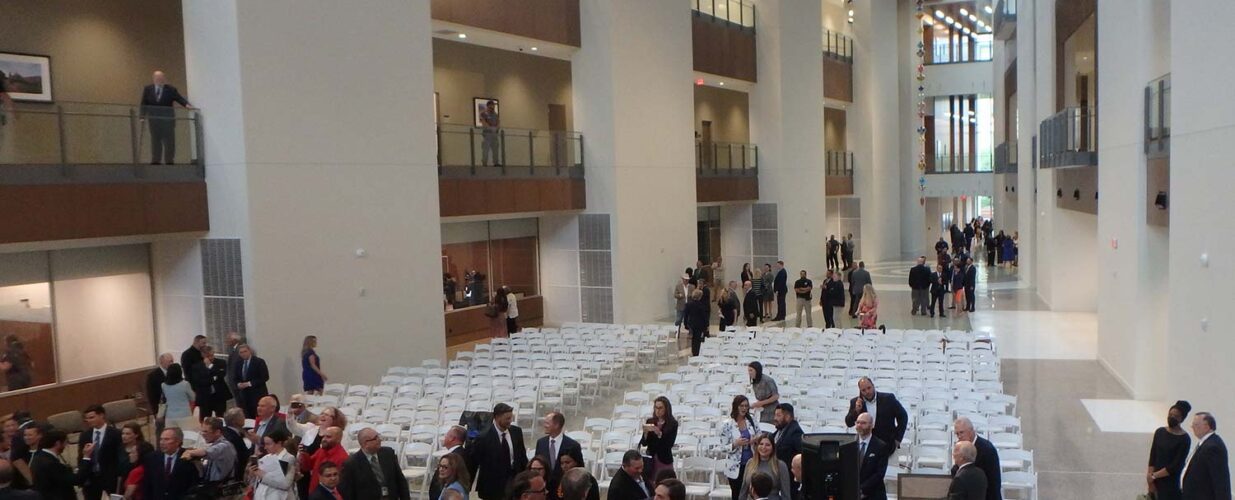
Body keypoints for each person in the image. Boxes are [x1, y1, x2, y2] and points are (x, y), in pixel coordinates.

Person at [471, 403, 527, 500]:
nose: (510, 421)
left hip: (514, 482)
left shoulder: (516, 432)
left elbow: (522, 457)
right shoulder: (483, 437)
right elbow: (475, 462)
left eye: (511, 418)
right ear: (497, 417)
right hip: (492, 488)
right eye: (507, 419)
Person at [340, 427, 410, 500]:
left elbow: (400, 480)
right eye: (375, 438)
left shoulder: (388, 453)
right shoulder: (351, 464)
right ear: (366, 443)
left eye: (378, 436)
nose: (380, 440)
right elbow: (347, 493)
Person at [139, 70, 192, 165]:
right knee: (155, 140)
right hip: (154, 121)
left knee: (169, 141)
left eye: (161, 78)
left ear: (164, 79)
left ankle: (169, 160)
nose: (159, 80)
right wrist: (142, 116)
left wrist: (186, 105)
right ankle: (156, 160)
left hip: (168, 121)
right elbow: (144, 103)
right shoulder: (148, 89)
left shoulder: (170, 89)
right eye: (157, 78)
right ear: (154, 79)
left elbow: (179, 98)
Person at [844, 377, 908, 449]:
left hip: (887, 443)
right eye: (863, 390)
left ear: (873, 386)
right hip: (865, 445)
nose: (867, 391)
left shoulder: (888, 398)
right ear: (860, 391)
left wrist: (898, 438)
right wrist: (856, 411)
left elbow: (903, 416)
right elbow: (848, 423)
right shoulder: (856, 402)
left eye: (869, 388)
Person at [1147, 401, 1192, 500]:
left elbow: (1175, 465)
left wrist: (1154, 476)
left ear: (1181, 419)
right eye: (1170, 414)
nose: (1171, 417)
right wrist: (1150, 479)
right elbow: (1153, 456)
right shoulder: (1160, 432)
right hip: (1154, 481)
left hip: (1170, 484)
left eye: (1175, 416)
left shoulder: (1184, 439)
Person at [1181, 412, 1230, 500]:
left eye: (1195, 424)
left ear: (1207, 426)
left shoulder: (1213, 447)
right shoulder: (1205, 443)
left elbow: (1220, 480)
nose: (1192, 427)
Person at [142, 428, 200, 500]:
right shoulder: (151, 458)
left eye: (166, 439)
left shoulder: (189, 458)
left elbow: (193, 484)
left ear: (178, 442)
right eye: (161, 439)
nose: (162, 442)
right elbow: (147, 485)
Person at [78, 404, 122, 499]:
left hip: (110, 478)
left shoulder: (115, 434)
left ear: (101, 415)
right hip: (91, 479)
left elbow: (119, 456)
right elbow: (80, 458)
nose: (89, 421)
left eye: (92, 417)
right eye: (87, 419)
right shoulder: (85, 436)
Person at [952, 417, 1000, 500]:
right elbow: (956, 471)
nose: (959, 436)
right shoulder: (961, 448)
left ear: (971, 431)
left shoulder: (987, 449)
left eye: (962, 432)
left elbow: (994, 483)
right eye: (957, 434)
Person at [29, 429, 86, 499]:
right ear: (58, 443)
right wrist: (86, 458)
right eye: (65, 443)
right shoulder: (51, 463)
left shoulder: (37, 458)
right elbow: (76, 480)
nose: (65, 446)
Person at [181, 417, 238, 486]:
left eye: (206, 431)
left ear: (217, 432)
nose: (202, 434)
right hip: (210, 485)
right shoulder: (215, 445)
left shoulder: (225, 446)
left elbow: (206, 452)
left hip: (221, 488)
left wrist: (189, 452)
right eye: (202, 431)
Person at [721, 396, 757, 500]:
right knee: (737, 495)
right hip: (735, 466)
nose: (744, 408)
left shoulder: (752, 420)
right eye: (741, 406)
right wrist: (735, 444)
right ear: (736, 407)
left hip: (751, 463)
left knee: (754, 493)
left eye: (746, 406)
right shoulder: (727, 425)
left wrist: (754, 440)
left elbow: (759, 435)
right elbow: (723, 447)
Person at [737, 435, 791, 500]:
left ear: (773, 448)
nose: (763, 447)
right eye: (761, 444)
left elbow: (786, 494)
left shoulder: (781, 465)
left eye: (767, 445)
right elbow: (744, 490)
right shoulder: (750, 463)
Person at [250, 429, 297, 500]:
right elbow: (257, 482)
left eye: (268, 444)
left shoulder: (288, 458)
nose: (265, 447)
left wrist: (263, 475)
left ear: (279, 443)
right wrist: (252, 474)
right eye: (264, 444)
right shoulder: (265, 458)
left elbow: (285, 485)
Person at [640, 396, 679, 480]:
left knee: (665, 483)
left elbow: (669, 444)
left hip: (664, 458)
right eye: (656, 408)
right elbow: (644, 443)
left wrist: (659, 433)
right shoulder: (650, 421)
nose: (658, 410)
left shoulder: (672, 424)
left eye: (660, 408)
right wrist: (646, 433)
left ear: (666, 409)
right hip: (651, 459)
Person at [299, 426, 348, 494]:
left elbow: (338, 485)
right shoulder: (321, 451)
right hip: (314, 493)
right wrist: (304, 453)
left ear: (338, 439)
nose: (324, 439)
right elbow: (307, 467)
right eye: (324, 436)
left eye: (328, 437)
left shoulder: (342, 458)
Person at [853, 413, 890, 500]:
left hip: (874, 494)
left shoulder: (881, 446)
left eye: (863, 423)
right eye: (857, 422)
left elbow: (879, 474)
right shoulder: (849, 444)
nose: (859, 425)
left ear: (872, 425)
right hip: (852, 493)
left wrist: (861, 489)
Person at [191, 345, 230, 420]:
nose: (211, 358)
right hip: (205, 396)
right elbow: (198, 381)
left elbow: (221, 375)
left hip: (219, 395)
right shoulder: (196, 367)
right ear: (203, 355)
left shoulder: (221, 362)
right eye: (208, 356)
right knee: (205, 418)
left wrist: (210, 366)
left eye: (212, 355)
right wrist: (213, 378)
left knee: (221, 417)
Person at [430, 425, 469, 500]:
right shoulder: (460, 454)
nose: (441, 469)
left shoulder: (458, 456)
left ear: (452, 438)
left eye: (445, 467)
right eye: (440, 466)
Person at [117, 422, 154, 499]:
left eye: (128, 434)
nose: (124, 436)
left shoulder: (145, 447)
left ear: (136, 435)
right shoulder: (120, 448)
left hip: (141, 485)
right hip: (125, 483)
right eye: (123, 433)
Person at [537, 412, 581, 477]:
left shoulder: (573, 445)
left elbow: (579, 470)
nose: (544, 425)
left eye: (547, 423)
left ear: (556, 425)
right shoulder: (541, 443)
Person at [233, 344, 270, 418]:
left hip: (257, 394)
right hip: (244, 395)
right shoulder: (238, 364)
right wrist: (238, 384)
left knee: (258, 415)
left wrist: (249, 384)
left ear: (249, 351)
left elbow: (265, 377)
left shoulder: (259, 362)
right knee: (247, 416)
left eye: (245, 351)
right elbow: (235, 377)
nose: (243, 354)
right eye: (241, 352)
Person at [160, 363, 196, 430]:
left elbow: (163, 400)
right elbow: (193, 398)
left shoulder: (163, 385)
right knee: (187, 435)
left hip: (170, 416)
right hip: (184, 414)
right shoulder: (185, 384)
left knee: (172, 436)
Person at [222, 407, 253, 480]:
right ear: (234, 421)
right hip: (238, 473)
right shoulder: (233, 438)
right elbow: (243, 456)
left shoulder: (226, 431)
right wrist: (254, 445)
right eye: (242, 416)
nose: (244, 418)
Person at [144, 353, 173, 430]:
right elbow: (151, 396)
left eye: (172, 361)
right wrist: (156, 412)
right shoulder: (152, 376)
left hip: (173, 408)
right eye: (169, 362)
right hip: (160, 409)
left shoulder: (174, 373)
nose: (171, 364)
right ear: (161, 362)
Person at [684, 290, 710, 356]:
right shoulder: (701, 305)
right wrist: (707, 325)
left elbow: (686, 315)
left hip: (691, 324)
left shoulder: (688, 304)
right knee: (698, 339)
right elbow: (704, 316)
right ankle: (697, 352)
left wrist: (685, 324)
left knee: (693, 339)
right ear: (700, 297)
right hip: (700, 325)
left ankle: (694, 352)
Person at [479, 100, 502, 167]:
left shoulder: (495, 114)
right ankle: (484, 163)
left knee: (495, 149)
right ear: (488, 106)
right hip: (487, 134)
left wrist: (497, 128)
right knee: (485, 150)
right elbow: (484, 123)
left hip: (495, 135)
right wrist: (491, 129)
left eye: (493, 106)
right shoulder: (484, 113)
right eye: (491, 106)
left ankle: (496, 163)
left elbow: (498, 123)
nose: (493, 107)